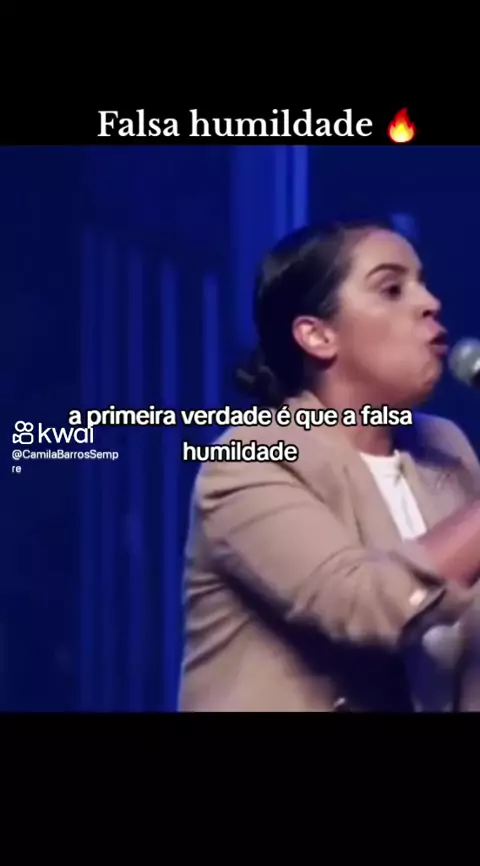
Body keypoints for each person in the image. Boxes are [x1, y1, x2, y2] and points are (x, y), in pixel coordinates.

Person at [180, 219, 480, 712]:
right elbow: (363, 605)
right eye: (391, 289)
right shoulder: (246, 462)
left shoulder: (444, 445)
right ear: (317, 336)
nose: (430, 302)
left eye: (424, 283)